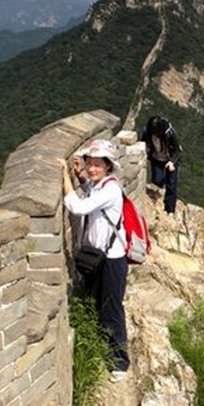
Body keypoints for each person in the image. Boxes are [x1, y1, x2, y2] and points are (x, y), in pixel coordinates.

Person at [60, 139, 129, 380]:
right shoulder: (99, 185)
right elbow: (89, 190)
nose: (92, 169)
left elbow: (78, 208)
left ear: (109, 166)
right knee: (97, 303)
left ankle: (119, 363)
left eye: (97, 164)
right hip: (99, 258)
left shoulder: (110, 189)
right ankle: (101, 342)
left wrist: (64, 177)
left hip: (111, 260)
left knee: (111, 308)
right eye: (90, 163)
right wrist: (79, 175)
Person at [141, 115, 182, 214]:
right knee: (157, 181)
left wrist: (172, 162)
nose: (156, 135)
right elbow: (143, 144)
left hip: (170, 159)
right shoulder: (147, 131)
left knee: (171, 184)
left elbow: (178, 150)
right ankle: (155, 202)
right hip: (157, 159)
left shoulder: (169, 132)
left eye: (157, 133)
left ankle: (170, 210)